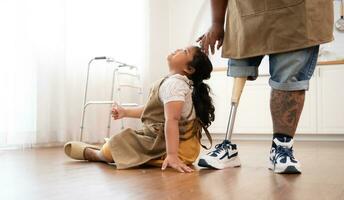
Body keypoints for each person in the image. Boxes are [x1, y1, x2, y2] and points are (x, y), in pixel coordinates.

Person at [197, 0, 333, 173]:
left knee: (288, 80)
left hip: (299, 13)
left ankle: (281, 147)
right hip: (246, 13)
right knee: (240, 71)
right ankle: (227, 146)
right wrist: (216, 22)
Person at [64, 46, 214, 173]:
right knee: (128, 139)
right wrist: (126, 112)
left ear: (188, 68)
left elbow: (172, 120)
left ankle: (98, 155)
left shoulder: (175, 85)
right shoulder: (173, 83)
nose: (179, 49)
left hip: (179, 149)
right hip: (170, 140)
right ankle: (108, 148)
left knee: (119, 141)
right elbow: (153, 111)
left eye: (185, 51)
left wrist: (173, 155)